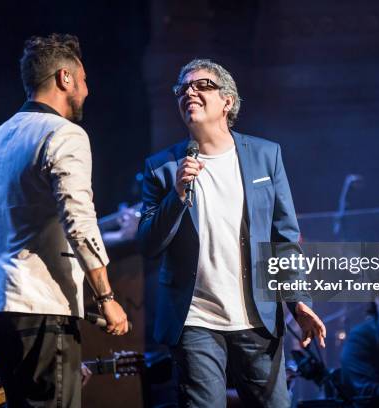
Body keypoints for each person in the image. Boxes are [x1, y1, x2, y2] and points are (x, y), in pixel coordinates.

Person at [137, 59, 326, 407]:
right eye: (182, 89)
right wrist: (177, 195)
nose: (189, 92)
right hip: (194, 319)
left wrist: (297, 301)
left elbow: (284, 240)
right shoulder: (162, 168)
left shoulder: (266, 156)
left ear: (227, 101)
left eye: (201, 85)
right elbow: (148, 243)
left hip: (258, 317)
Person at [0, 33, 128, 407]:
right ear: (65, 78)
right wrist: (106, 296)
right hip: (40, 305)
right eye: (84, 80)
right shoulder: (65, 133)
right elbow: (79, 220)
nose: (87, 91)